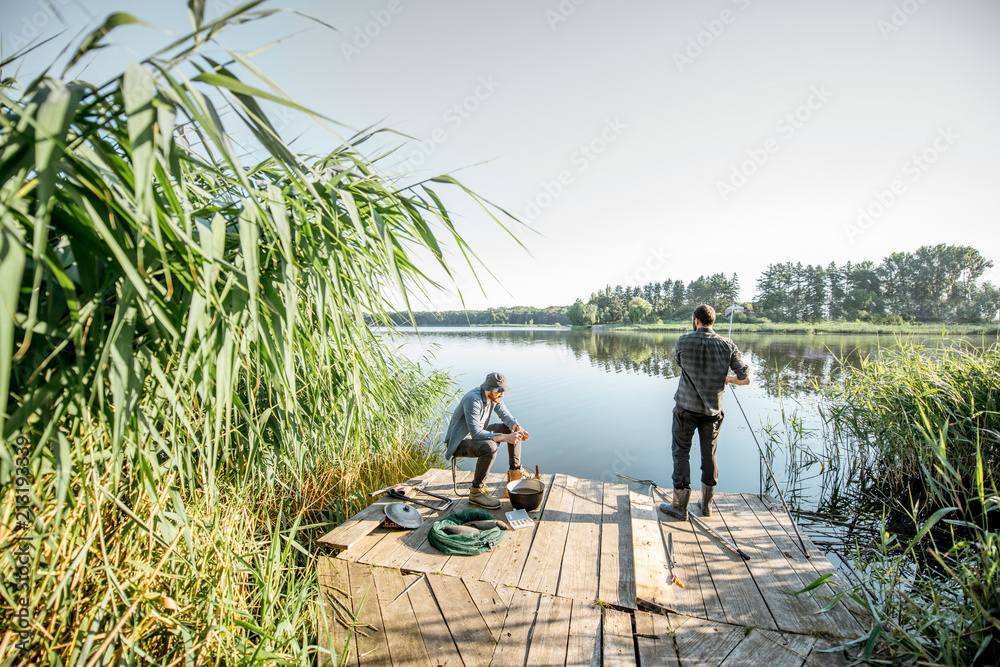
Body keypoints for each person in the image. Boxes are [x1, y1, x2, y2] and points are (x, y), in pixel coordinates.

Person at [660, 304, 750, 520]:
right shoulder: (727, 345)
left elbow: (680, 363)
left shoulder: (683, 341)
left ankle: (679, 507)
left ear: (696, 320)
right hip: (712, 412)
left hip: (685, 409)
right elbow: (745, 379)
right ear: (713, 321)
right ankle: (706, 505)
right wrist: (729, 378)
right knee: (709, 455)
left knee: (681, 452)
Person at [444, 372, 531, 509]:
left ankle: (515, 472)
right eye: (499, 392)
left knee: (510, 429)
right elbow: (476, 433)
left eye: (502, 391)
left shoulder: (494, 396)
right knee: (490, 447)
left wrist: (518, 428)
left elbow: (506, 416)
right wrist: (506, 438)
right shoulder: (473, 400)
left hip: (476, 436)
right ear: (489, 389)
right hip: (460, 442)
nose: (502, 395)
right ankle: (476, 491)